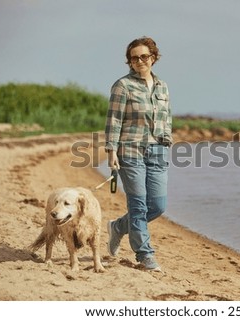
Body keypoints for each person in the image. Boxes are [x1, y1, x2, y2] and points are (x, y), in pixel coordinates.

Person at [104, 37, 172, 271]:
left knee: (157, 205)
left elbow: (166, 116)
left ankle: (118, 227)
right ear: (129, 62)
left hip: (157, 151)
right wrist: (111, 150)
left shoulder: (162, 86)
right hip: (130, 150)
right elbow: (114, 120)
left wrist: (167, 141)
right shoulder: (122, 86)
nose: (139, 61)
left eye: (144, 56)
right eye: (134, 58)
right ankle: (144, 255)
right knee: (138, 205)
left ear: (153, 57)